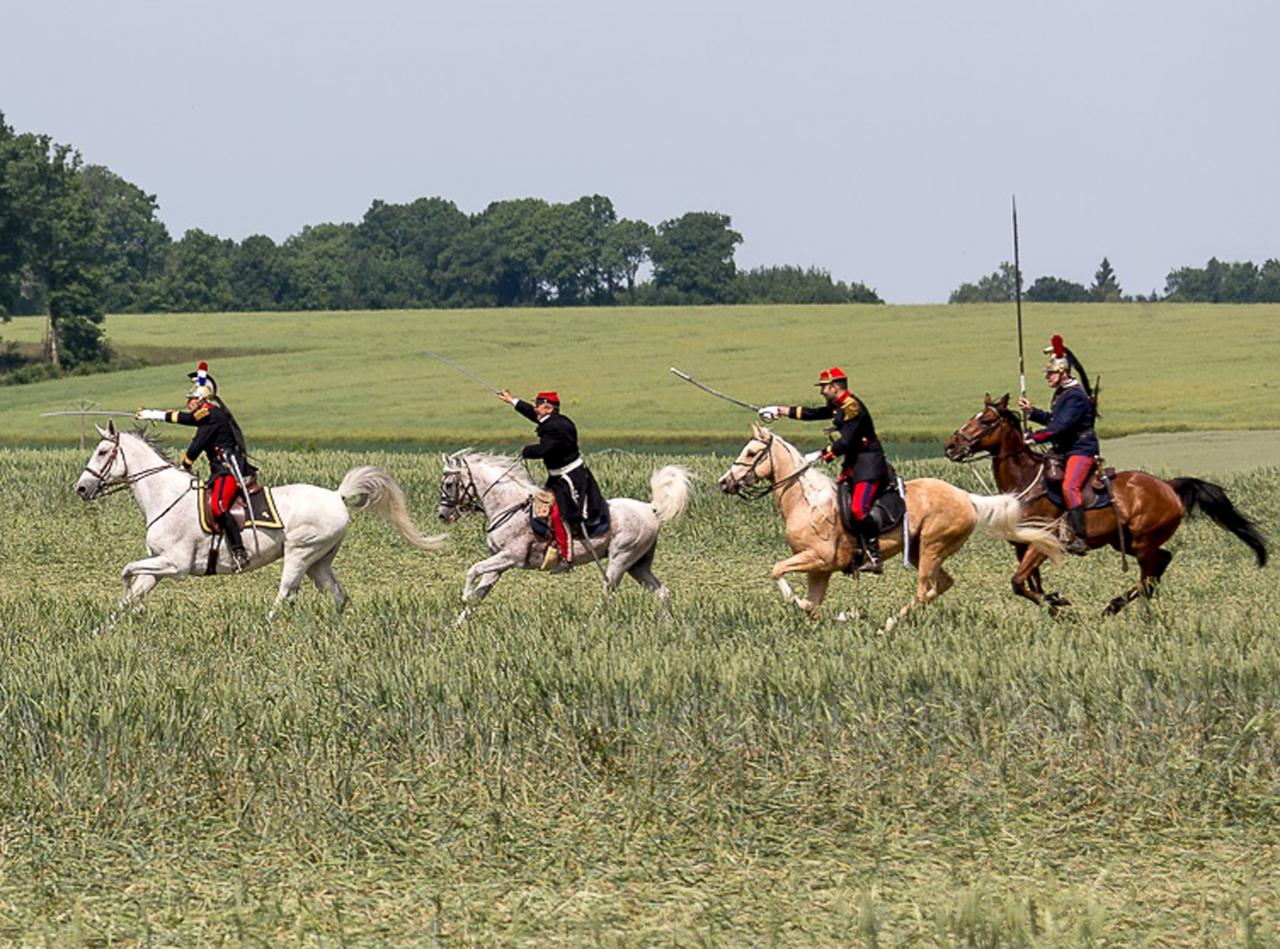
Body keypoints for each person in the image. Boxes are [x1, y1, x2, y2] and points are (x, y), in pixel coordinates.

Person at [758, 367, 889, 573]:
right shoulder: (838, 405)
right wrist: (780, 410)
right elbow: (814, 413)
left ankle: (873, 555)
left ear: (835, 387)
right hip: (853, 466)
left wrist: (821, 454)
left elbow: (848, 441)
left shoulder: (851, 406)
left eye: (824, 387)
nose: (821, 391)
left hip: (868, 466)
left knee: (858, 509)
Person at [136, 361, 256, 571]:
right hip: (217, 473)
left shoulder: (212, 415)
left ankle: (239, 551)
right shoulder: (207, 414)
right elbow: (185, 418)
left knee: (218, 506)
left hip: (228, 472)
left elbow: (198, 443)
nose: (188, 402)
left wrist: (185, 464)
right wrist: (151, 414)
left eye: (191, 399)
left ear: (202, 399)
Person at [497, 388, 608, 571]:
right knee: (540, 506)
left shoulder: (556, 428)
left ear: (548, 408)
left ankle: (567, 558)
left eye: (538, 406)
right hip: (557, 476)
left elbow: (545, 449)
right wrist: (512, 400)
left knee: (558, 514)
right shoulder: (553, 421)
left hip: (570, 477)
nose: (535, 408)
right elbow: (533, 415)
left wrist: (525, 451)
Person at [1018, 335, 1099, 555]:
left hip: (1081, 449)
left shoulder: (1074, 396)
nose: (1047, 377)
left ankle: (1081, 538)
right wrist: (1031, 412)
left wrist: (1034, 438)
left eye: (1050, 373)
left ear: (1063, 373)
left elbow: (1059, 428)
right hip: (1065, 448)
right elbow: (1054, 420)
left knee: (1069, 486)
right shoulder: (1063, 393)